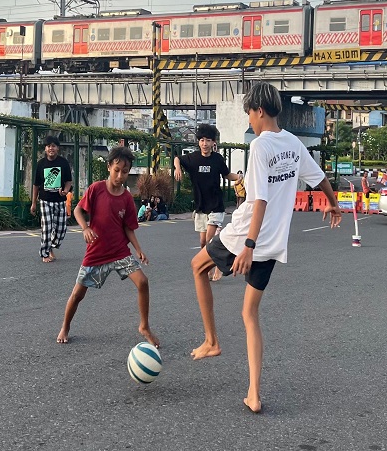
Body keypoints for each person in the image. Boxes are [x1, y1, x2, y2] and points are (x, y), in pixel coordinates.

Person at [189, 83, 341, 414]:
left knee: (197, 266)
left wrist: (247, 245)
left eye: (248, 113)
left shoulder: (260, 146)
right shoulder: (294, 143)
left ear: (259, 110)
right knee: (249, 314)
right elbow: (319, 178)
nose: (249, 120)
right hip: (273, 245)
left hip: (246, 235)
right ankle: (254, 395)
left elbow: (259, 200)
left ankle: (212, 341)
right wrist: (333, 203)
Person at [56, 146, 159, 347]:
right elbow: (77, 210)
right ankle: (65, 326)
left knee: (143, 282)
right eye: (117, 170)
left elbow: (128, 228)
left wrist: (138, 249)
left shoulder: (127, 198)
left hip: (119, 251)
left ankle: (144, 326)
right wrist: (85, 228)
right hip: (96, 252)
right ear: (109, 167)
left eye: (125, 171)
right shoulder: (96, 189)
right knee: (78, 294)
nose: (120, 176)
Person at [175, 123, 244, 281]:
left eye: (208, 140)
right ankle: (211, 265)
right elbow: (177, 158)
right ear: (198, 142)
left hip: (216, 205)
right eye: (202, 140)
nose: (204, 144)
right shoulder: (193, 158)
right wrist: (178, 168)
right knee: (202, 242)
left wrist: (240, 178)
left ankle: (215, 269)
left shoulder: (217, 159)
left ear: (213, 142)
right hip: (201, 206)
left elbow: (227, 175)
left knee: (208, 240)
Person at [31, 135, 73, 263]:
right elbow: (36, 185)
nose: (51, 148)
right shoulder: (41, 164)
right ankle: (45, 253)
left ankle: (51, 246)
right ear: (45, 148)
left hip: (60, 200)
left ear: (58, 148)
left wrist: (66, 191)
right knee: (47, 228)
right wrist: (33, 203)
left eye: (53, 146)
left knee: (61, 229)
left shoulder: (63, 163)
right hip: (45, 200)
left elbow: (68, 181)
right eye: (48, 146)